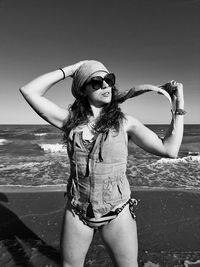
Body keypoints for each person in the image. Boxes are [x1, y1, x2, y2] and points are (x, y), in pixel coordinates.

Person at [19, 60, 185, 267]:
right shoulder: (69, 121)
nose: (105, 85)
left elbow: (170, 150)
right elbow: (29, 91)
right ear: (83, 89)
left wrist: (179, 104)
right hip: (77, 213)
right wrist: (75, 69)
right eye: (96, 82)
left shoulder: (126, 123)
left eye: (109, 80)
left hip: (118, 213)